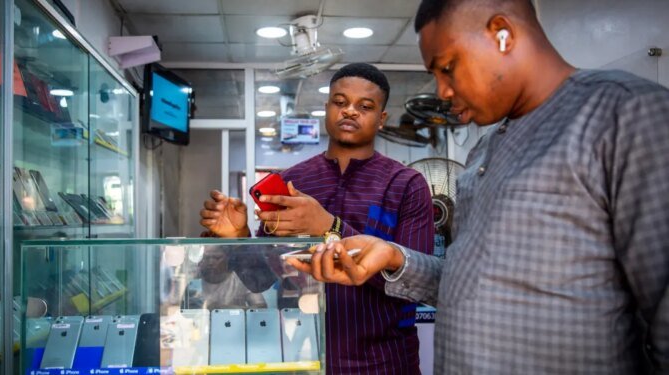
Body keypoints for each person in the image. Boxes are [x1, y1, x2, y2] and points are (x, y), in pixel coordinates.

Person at [288, 0, 669, 374]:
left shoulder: (624, 114)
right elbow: (461, 283)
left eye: (447, 68)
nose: (442, 91)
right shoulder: (486, 149)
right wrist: (392, 256)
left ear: (501, 34)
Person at [199, 63, 435, 373]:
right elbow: (261, 280)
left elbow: (420, 283)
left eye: (365, 106)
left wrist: (329, 226)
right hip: (305, 357)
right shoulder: (294, 182)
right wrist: (239, 238)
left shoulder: (406, 185)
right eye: (340, 102)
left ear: (381, 119)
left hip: (385, 361)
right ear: (326, 109)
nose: (350, 111)